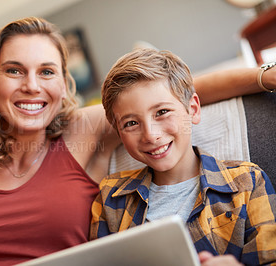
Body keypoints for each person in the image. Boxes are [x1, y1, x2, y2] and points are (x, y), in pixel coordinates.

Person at [0, 16, 276, 266]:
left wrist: (265, 76)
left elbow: (170, 94)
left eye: (46, 71)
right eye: (14, 70)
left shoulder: (80, 132)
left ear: (62, 84)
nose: (31, 85)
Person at [90, 48, 276, 265]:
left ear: (193, 109)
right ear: (119, 132)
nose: (151, 135)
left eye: (162, 112)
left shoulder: (247, 181)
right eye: (131, 123)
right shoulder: (111, 196)